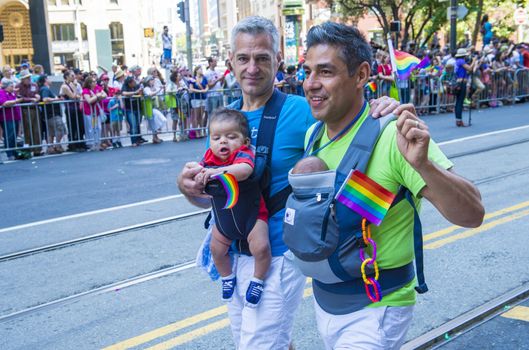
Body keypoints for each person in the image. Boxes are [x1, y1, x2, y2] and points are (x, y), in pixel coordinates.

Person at [177, 16, 407, 349]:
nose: (252, 67)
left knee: (258, 344)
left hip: (279, 253)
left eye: (262, 58)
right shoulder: (226, 119)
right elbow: (213, 193)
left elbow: (349, 120)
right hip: (235, 252)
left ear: (278, 62)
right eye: (243, 58)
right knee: (255, 338)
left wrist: (382, 107)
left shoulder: (304, 112)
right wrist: (188, 188)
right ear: (231, 63)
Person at [299, 21, 484, 349]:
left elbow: (472, 214)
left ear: (361, 76)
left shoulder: (392, 135)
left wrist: (423, 165)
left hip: (375, 308)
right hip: (325, 304)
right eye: (307, 71)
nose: (311, 84)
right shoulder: (313, 136)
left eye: (325, 72)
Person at [194, 108, 271, 307]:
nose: (223, 142)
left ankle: (258, 280)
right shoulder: (208, 157)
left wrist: (216, 172)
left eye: (231, 136)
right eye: (216, 137)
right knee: (216, 249)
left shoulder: (242, 154)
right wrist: (195, 174)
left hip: (252, 216)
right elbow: (197, 173)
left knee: (261, 247)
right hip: (224, 219)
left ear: (244, 141)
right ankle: (227, 277)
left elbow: (245, 170)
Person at [38, 75, 66, 154]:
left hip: (49, 114)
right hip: (52, 114)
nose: (50, 80)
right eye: (48, 79)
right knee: (61, 129)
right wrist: (56, 99)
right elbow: (45, 99)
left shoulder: (45, 89)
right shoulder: (45, 89)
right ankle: (57, 146)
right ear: (45, 80)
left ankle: (50, 147)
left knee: (51, 132)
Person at [60, 70, 87, 152]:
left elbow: (80, 95)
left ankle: (81, 143)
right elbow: (73, 96)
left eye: (74, 75)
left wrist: (77, 94)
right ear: (67, 77)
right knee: (72, 126)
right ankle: (72, 144)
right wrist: (75, 88)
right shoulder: (64, 86)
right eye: (72, 76)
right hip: (70, 109)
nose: (74, 77)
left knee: (80, 126)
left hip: (77, 108)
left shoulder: (75, 84)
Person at [16, 70, 41, 157]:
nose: (29, 79)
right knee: (27, 130)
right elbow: (19, 97)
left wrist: (38, 97)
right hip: (25, 109)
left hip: (35, 108)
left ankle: (37, 149)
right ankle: (28, 149)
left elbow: (37, 94)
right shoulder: (18, 86)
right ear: (22, 79)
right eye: (26, 78)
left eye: (29, 77)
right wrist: (31, 99)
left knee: (37, 129)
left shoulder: (34, 85)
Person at [82, 76, 107, 151]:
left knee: (98, 127)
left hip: (97, 112)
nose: (95, 83)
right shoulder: (85, 90)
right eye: (93, 81)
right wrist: (97, 96)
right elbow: (89, 100)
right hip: (89, 113)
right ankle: (92, 144)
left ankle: (98, 143)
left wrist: (97, 97)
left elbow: (105, 95)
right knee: (91, 128)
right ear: (89, 83)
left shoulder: (98, 88)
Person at [0, 80, 23, 160]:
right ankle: (9, 153)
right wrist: (16, 101)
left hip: (15, 117)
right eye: (11, 86)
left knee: (14, 135)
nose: (13, 88)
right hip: (7, 118)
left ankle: (14, 152)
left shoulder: (12, 93)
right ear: (6, 86)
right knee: (9, 135)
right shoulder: (1, 92)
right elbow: (4, 103)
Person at [454, 48, 476, 126]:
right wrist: (474, 61)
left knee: (458, 102)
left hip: (459, 82)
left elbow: (467, 71)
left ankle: (458, 120)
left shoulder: (457, 61)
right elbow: (470, 68)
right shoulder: (461, 61)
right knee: (460, 102)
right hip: (461, 83)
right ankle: (459, 121)